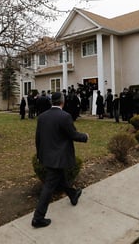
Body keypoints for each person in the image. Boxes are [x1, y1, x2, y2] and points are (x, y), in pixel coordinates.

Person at [32, 92, 89, 228]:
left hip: (47, 156)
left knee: (61, 178)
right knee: (49, 186)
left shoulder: (42, 117)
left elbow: (37, 138)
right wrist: (85, 136)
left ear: (52, 102)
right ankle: (38, 218)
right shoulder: (65, 116)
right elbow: (73, 134)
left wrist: (40, 155)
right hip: (58, 157)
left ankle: (73, 194)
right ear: (62, 102)